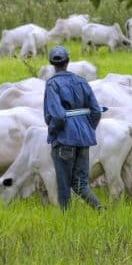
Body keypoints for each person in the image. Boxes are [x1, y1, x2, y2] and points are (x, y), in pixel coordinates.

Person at [43, 45, 105, 210]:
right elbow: (96, 112)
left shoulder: (52, 84)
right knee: (81, 184)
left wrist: (53, 132)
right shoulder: (82, 81)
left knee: (64, 188)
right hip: (84, 139)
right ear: (68, 62)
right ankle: (101, 211)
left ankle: (66, 221)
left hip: (64, 140)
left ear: (51, 64)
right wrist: (86, 128)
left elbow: (57, 116)